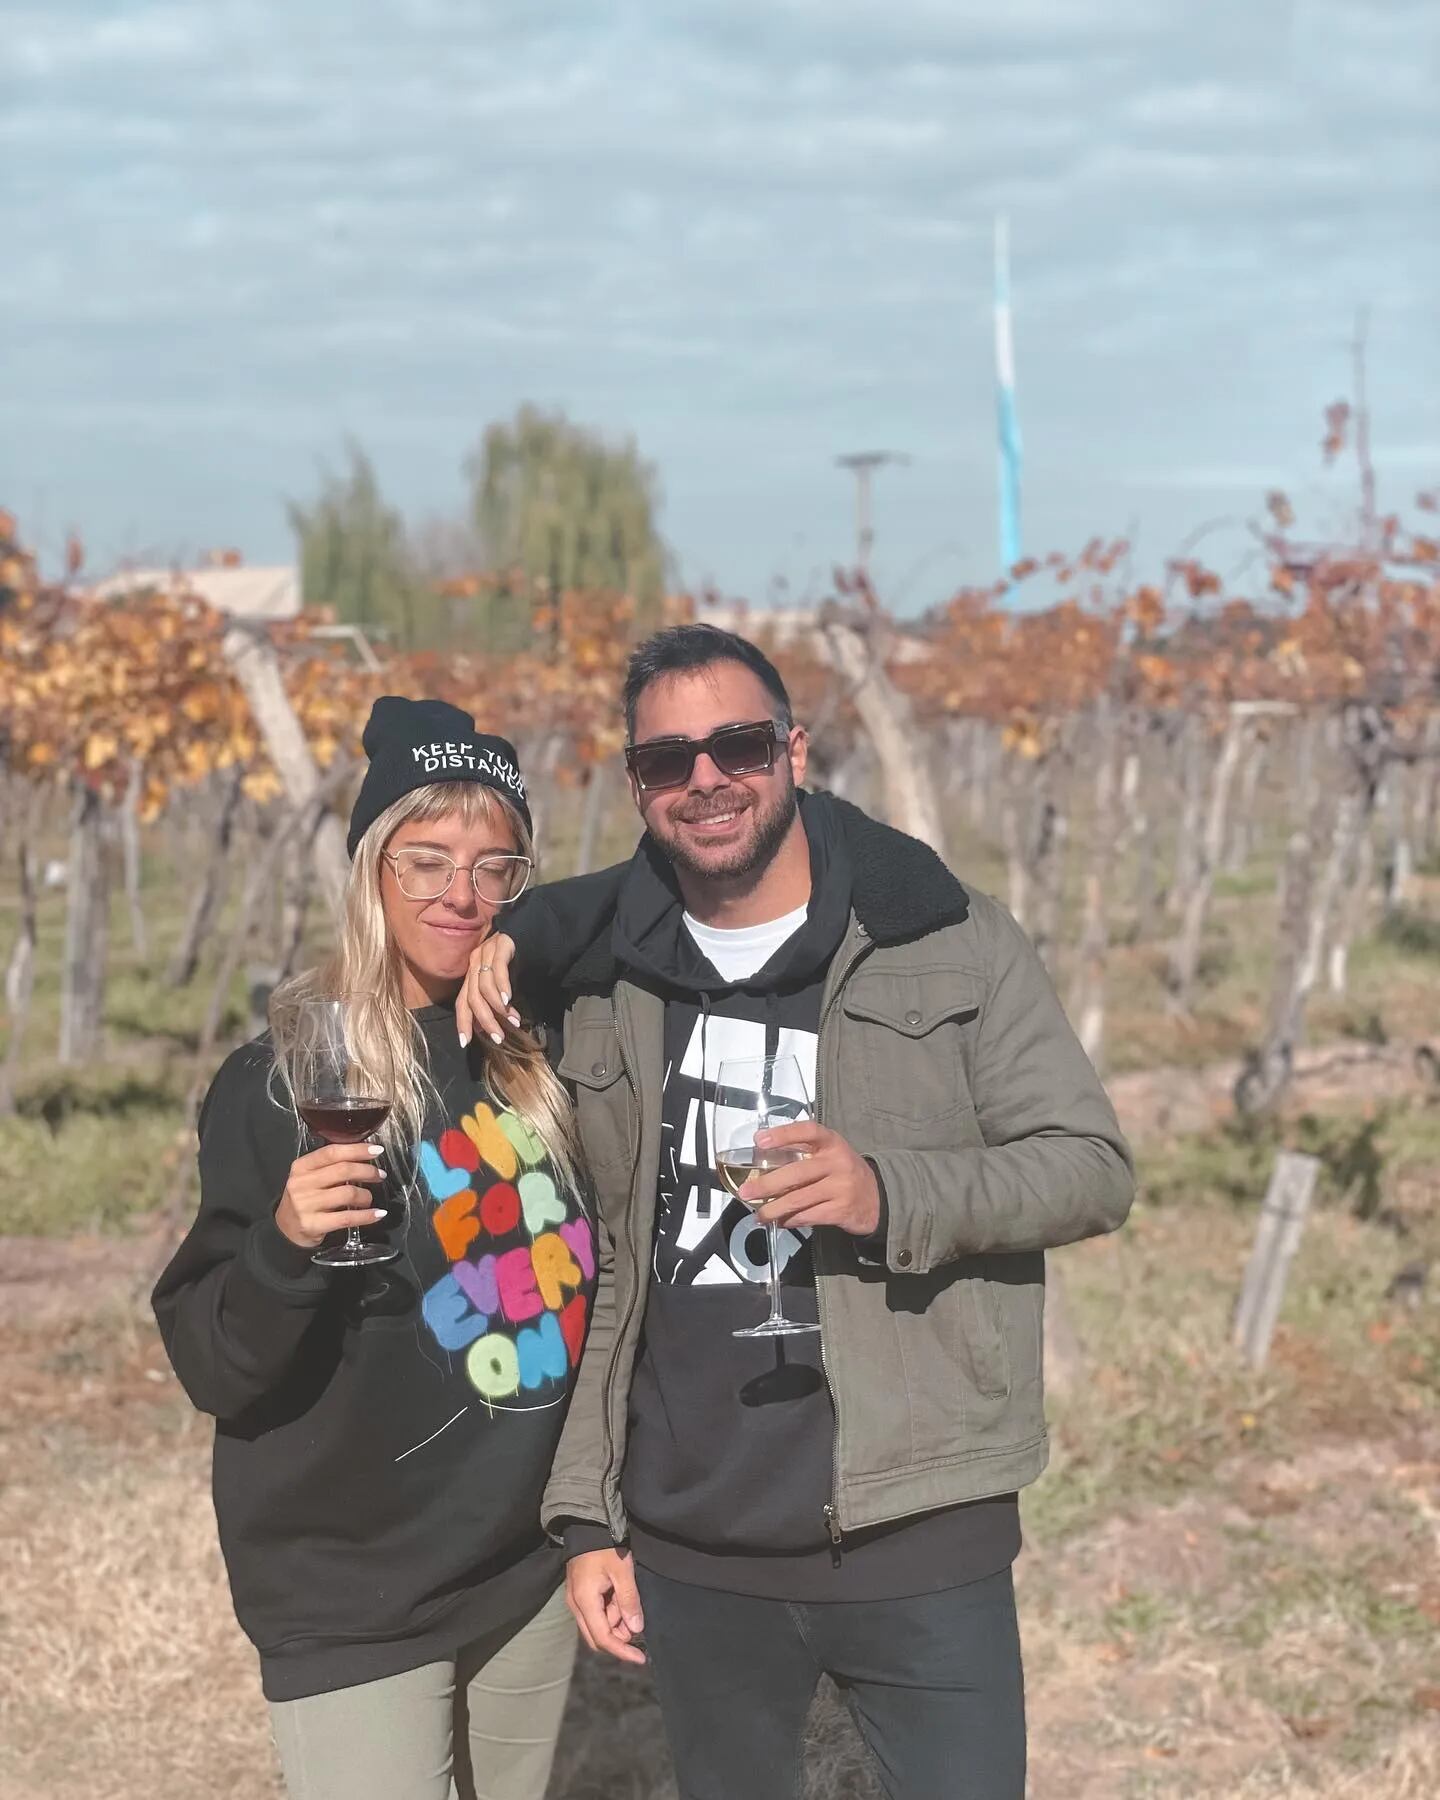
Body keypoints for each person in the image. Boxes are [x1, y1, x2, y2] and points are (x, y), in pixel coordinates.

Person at [458, 625, 1136, 1800]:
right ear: (637, 788)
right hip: (693, 1542)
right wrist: (586, 1518)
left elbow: (1090, 1166)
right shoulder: (607, 980)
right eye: (669, 761)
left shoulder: (944, 940)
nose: (707, 779)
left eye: (738, 744)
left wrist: (888, 1191)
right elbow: (610, 1261)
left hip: (915, 1525)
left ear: (796, 750)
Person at [153, 697, 596, 1800]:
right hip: (353, 1590)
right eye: (426, 862)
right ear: (368, 871)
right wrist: (286, 1242)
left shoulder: (538, 1058)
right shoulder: (284, 1082)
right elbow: (218, 1366)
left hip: (523, 1568)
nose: (461, 894)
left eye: (498, 868)